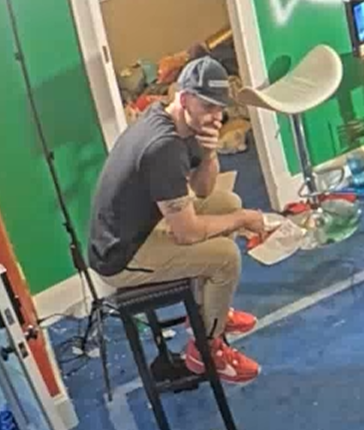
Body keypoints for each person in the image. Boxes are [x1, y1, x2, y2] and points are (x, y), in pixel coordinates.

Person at [87, 56, 264, 384]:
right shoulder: (163, 147)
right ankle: (206, 349)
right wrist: (242, 219)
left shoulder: (177, 121)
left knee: (227, 203)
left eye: (220, 107)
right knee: (226, 257)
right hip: (120, 256)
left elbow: (203, 190)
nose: (216, 117)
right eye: (208, 106)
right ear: (183, 99)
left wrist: (209, 153)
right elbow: (187, 233)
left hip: (144, 225)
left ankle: (211, 309)